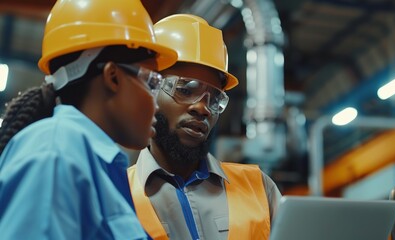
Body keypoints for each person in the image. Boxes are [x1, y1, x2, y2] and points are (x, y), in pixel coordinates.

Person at [0, 0, 177, 239]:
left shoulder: (93, 163)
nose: (157, 103)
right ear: (112, 76)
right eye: (153, 82)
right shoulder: (56, 153)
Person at [128, 14, 282, 240]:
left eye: (213, 99)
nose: (203, 108)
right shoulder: (116, 193)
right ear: (150, 90)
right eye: (185, 89)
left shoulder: (258, 187)